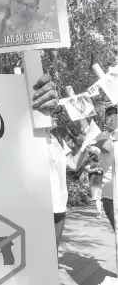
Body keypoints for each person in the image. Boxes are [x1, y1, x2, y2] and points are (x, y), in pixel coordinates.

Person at [47, 118, 88, 250]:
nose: (55, 115)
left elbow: (74, 164)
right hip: (39, 207)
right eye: (50, 110)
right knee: (37, 256)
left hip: (59, 206)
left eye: (55, 111)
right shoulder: (29, 137)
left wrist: (85, 146)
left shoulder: (58, 139)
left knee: (52, 256)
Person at [94, 105, 117, 230]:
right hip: (111, 195)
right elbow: (108, 147)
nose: (112, 116)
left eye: (115, 113)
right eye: (108, 114)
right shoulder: (102, 136)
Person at [83, 146, 103, 219]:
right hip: (95, 182)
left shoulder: (104, 159)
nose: (98, 155)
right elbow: (86, 168)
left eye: (98, 154)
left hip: (105, 182)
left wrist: (102, 169)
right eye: (96, 154)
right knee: (97, 198)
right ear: (93, 154)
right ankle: (99, 213)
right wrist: (95, 170)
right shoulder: (90, 160)